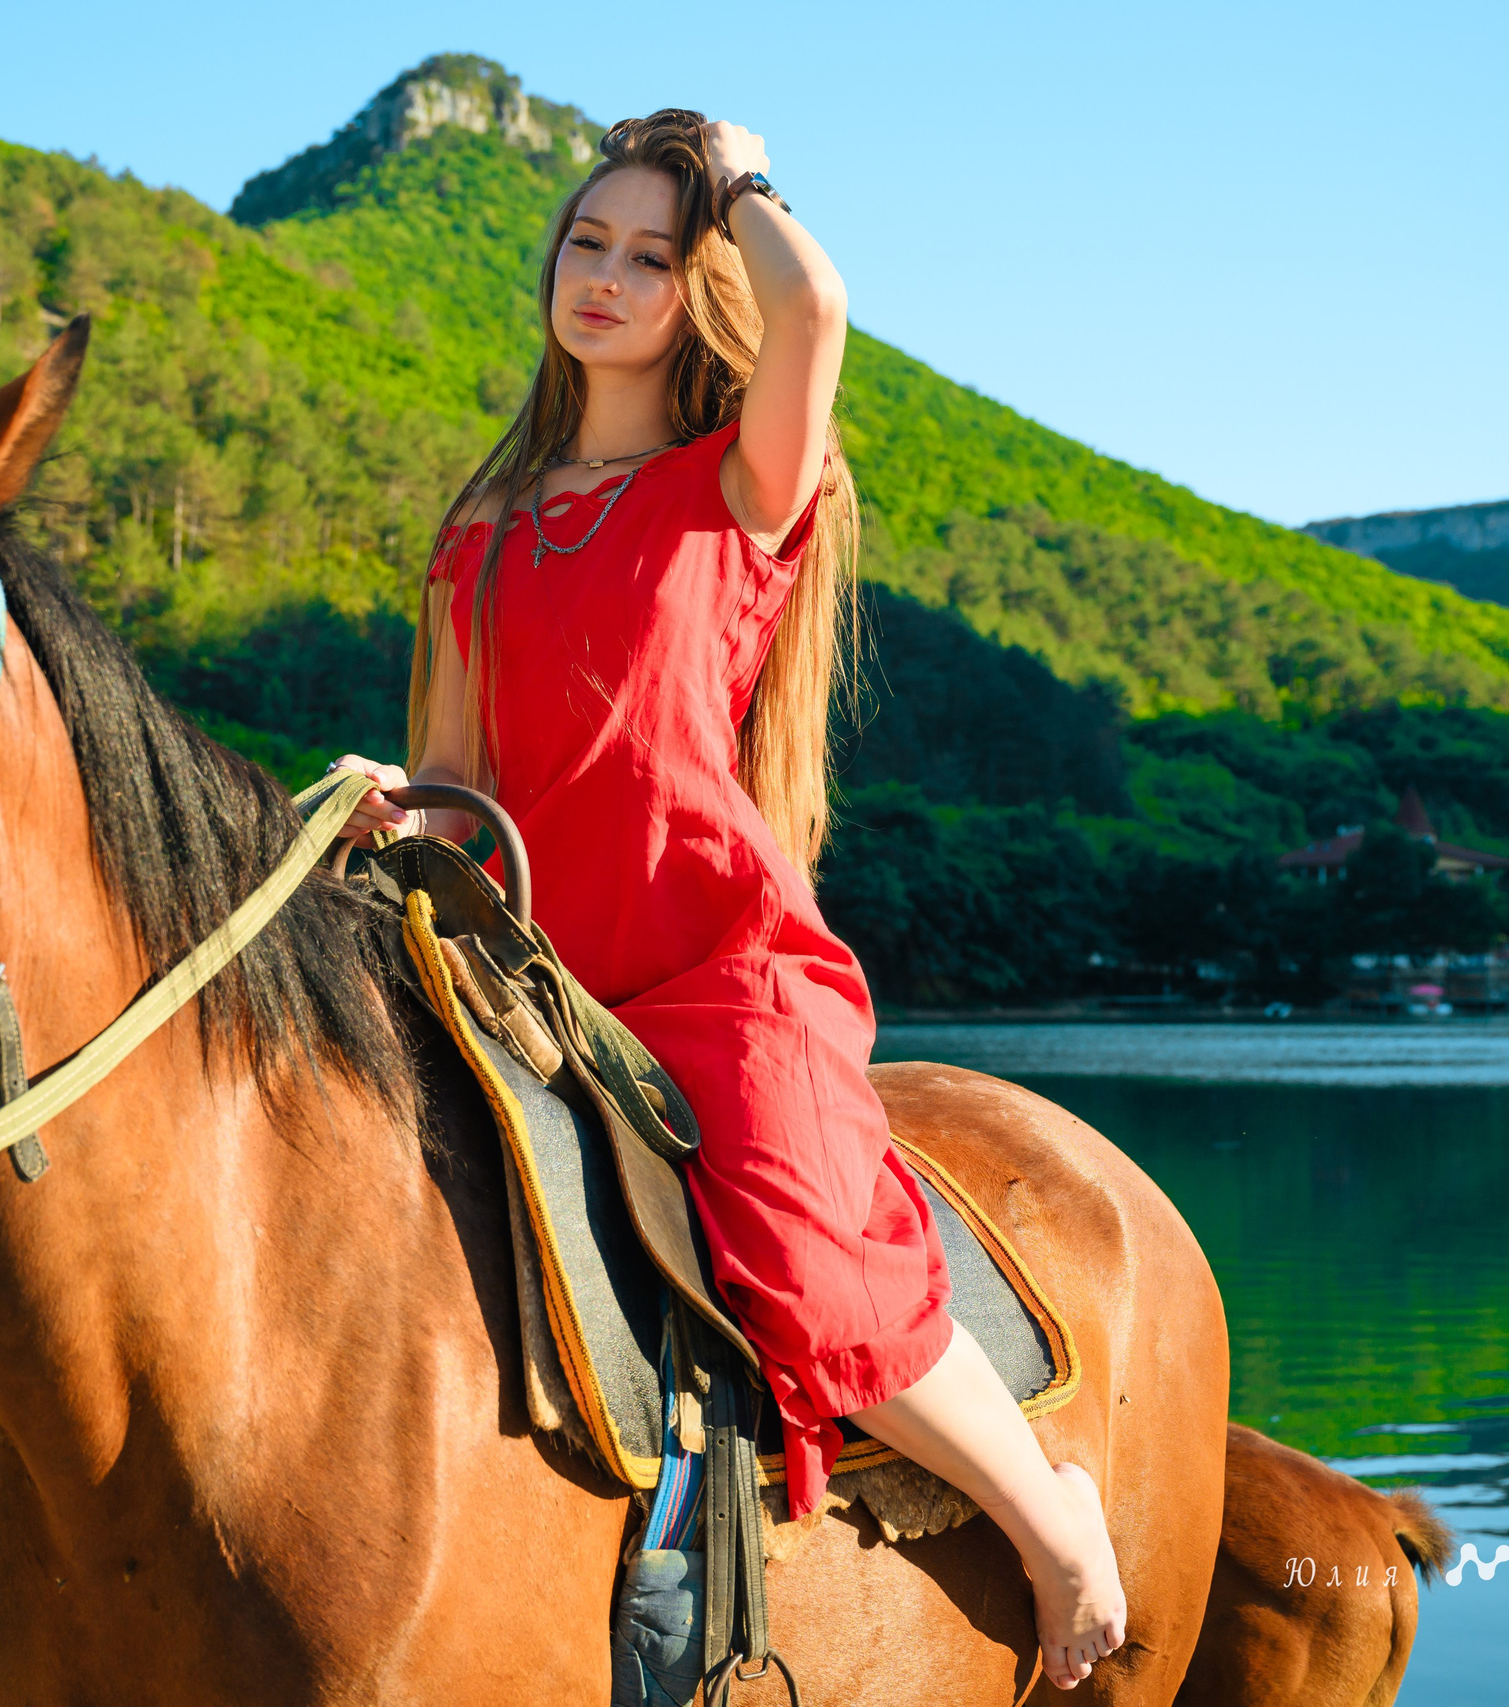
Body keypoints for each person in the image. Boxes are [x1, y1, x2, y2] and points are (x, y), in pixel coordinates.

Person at [328, 109, 1127, 1689]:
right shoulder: (478, 532)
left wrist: (737, 179)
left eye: (651, 257)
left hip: (719, 967)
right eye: (586, 244)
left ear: (704, 293)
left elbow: (816, 311)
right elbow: (448, 773)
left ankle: (1053, 1522)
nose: (607, 279)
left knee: (812, 1272)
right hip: (529, 968)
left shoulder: (739, 486)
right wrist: (387, 801)